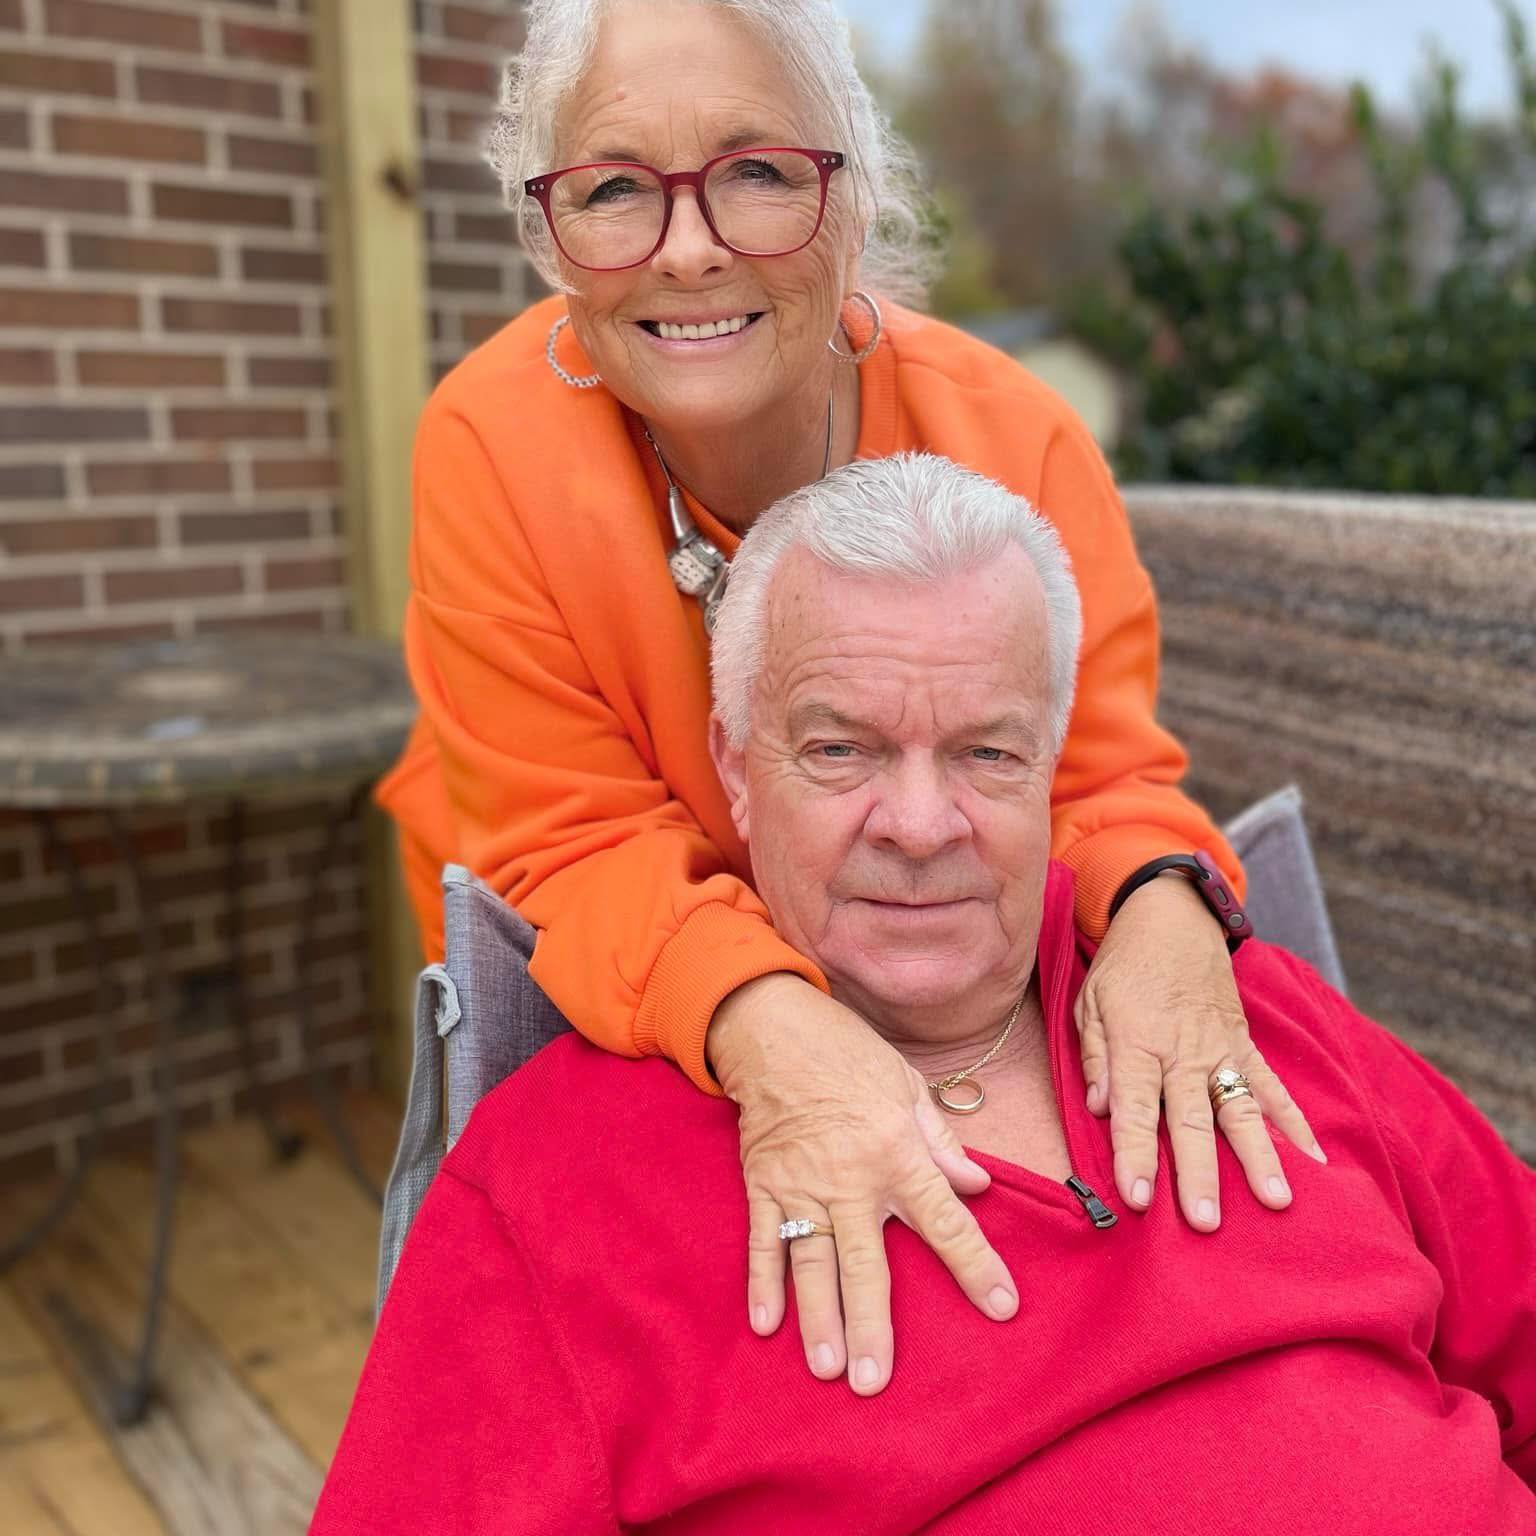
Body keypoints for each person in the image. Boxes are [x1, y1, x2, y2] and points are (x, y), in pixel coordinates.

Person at [376, 0, 1322, 1394]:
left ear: (855, 196)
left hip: (928, 983)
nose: (688, 247)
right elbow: (570, 847)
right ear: (546, 230)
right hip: (614, 973)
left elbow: (1105, 777)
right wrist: (779, 1030)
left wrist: (1170, 915)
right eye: (616, 188)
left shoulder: (1018, 435)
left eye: (759, 171)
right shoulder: (489, 441)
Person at [315, 455, 1536, 1534]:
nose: (916, 824)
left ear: (1054, 770)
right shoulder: (563, 1181)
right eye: (840, 749)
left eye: (986, 752)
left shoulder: (1231, 1007)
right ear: (739, 771)